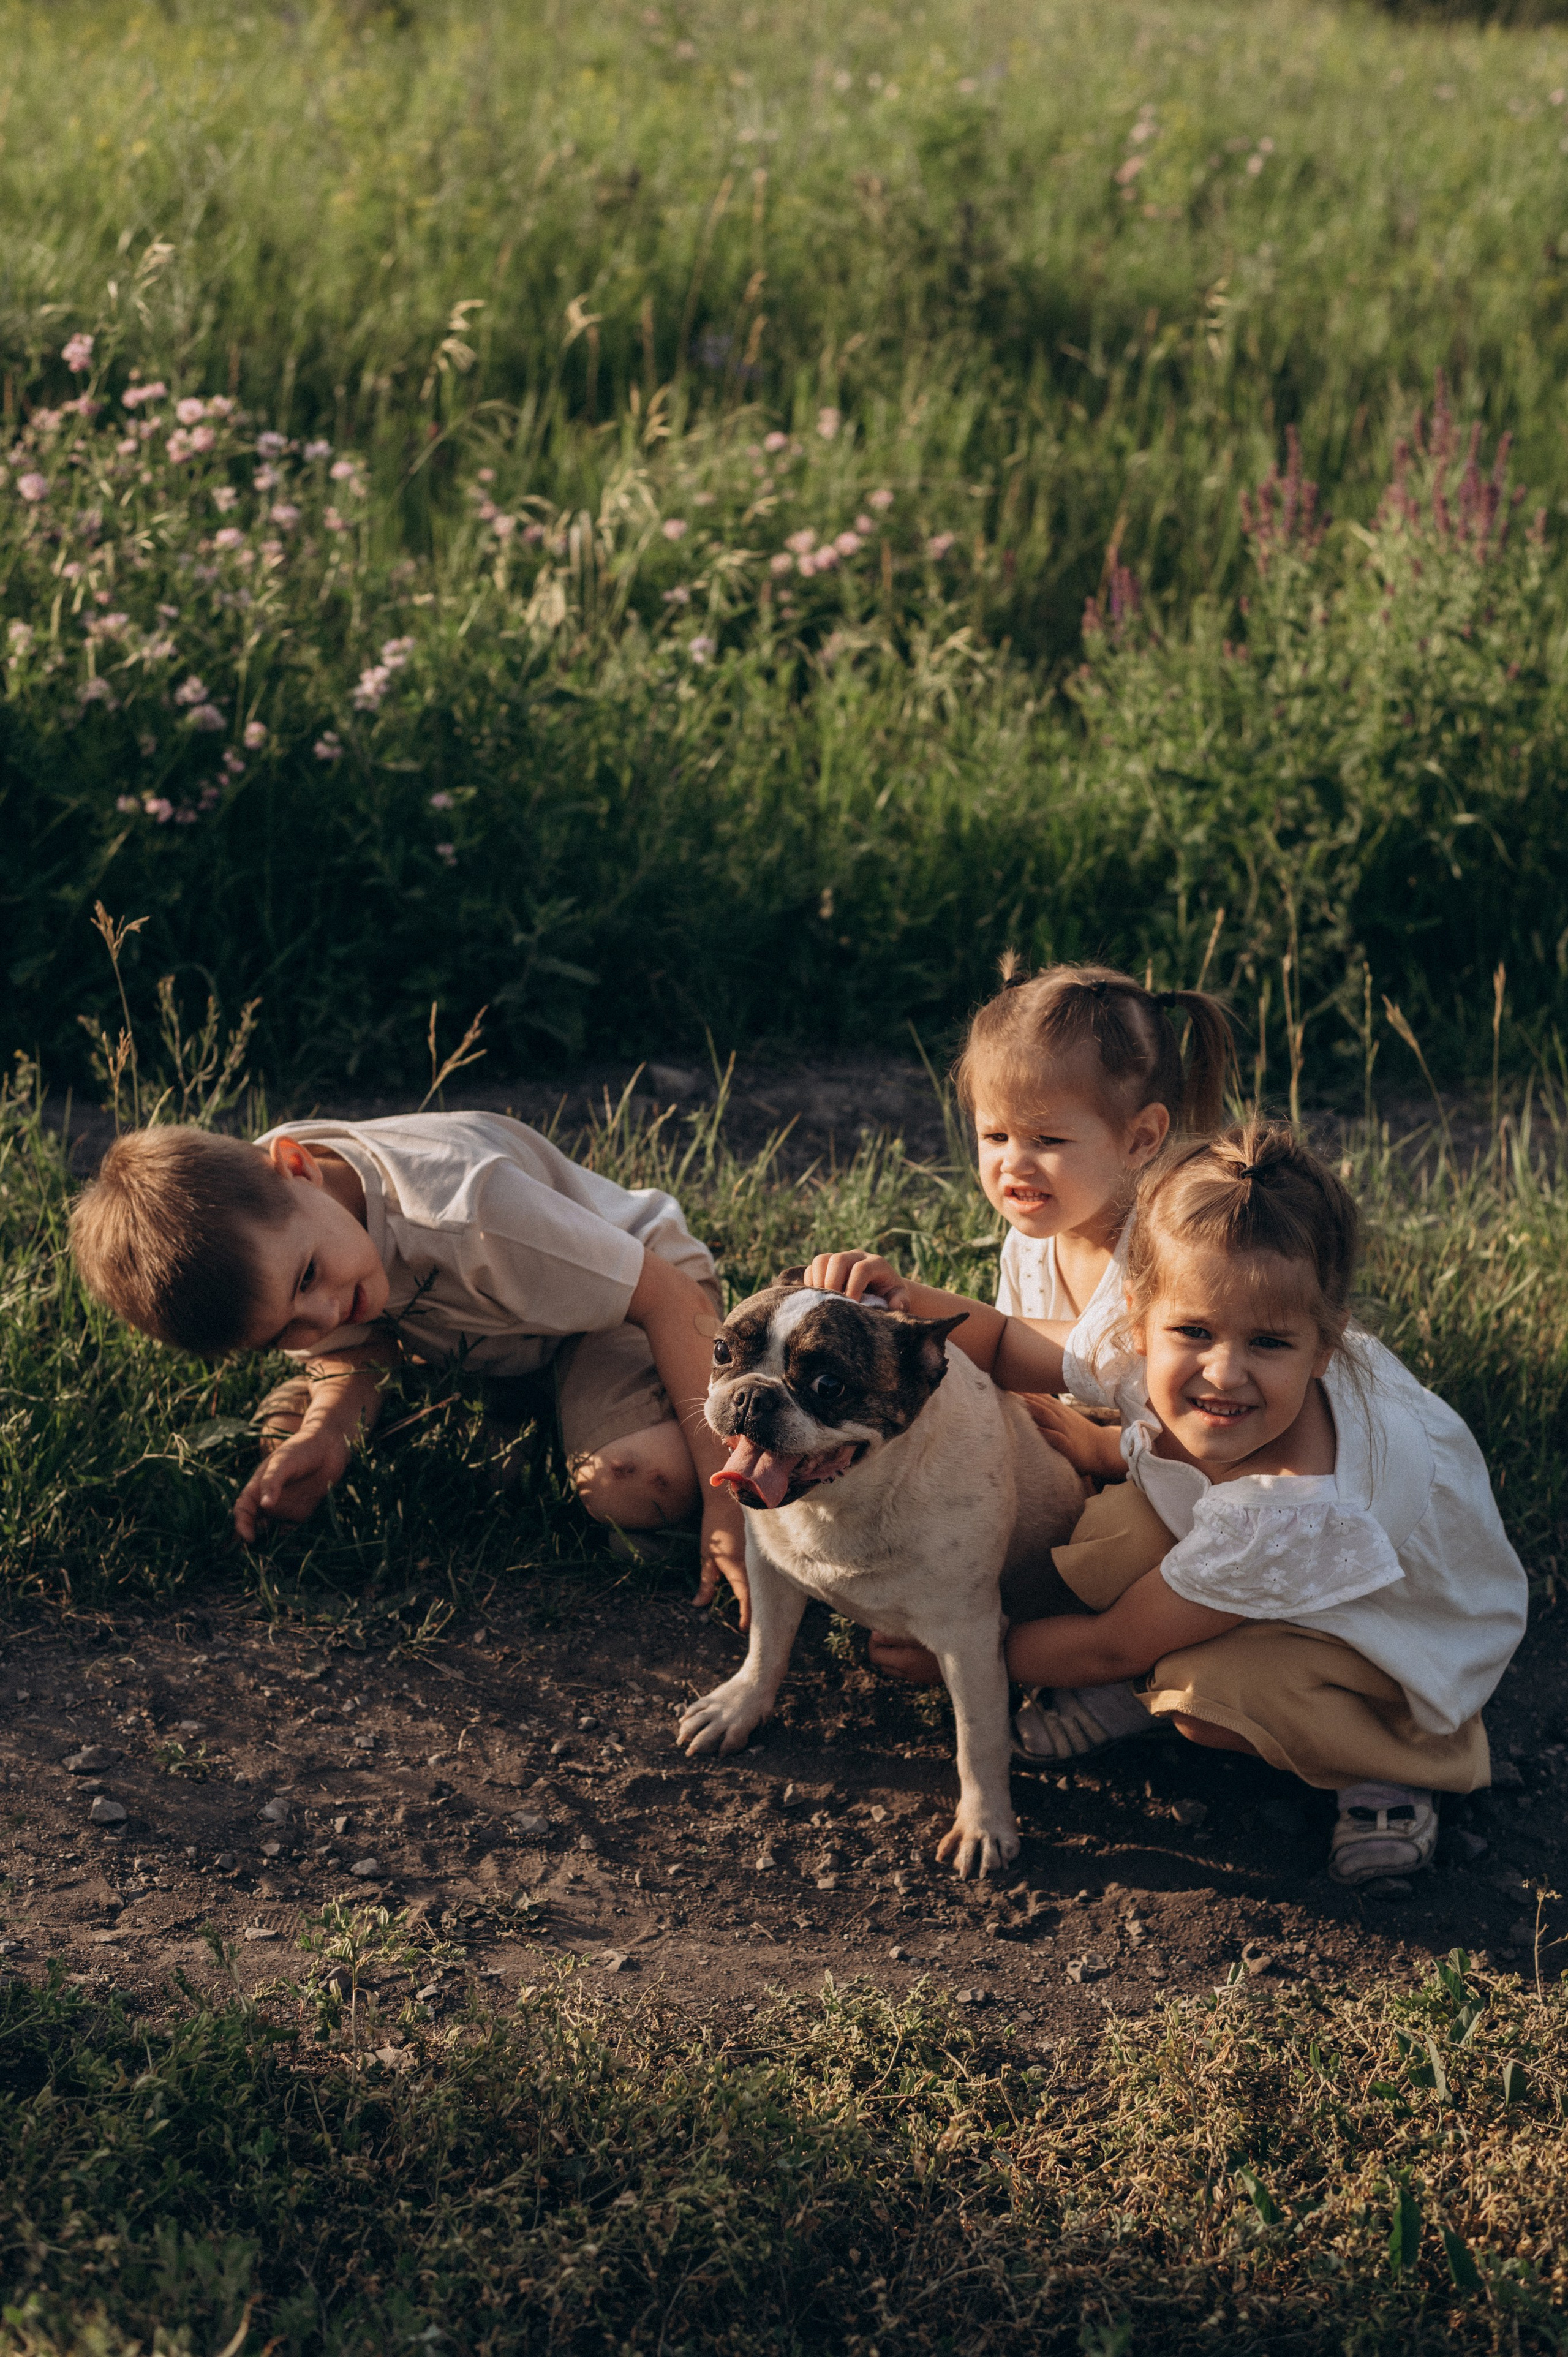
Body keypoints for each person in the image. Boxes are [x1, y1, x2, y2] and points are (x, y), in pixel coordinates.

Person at [854, 1122, 1529, 1889]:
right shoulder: (1164, 1342)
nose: (1223, 1370)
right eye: (1194, 1332)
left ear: (1325, 1345)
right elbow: (1005, 1339)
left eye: (1269, 1344)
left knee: (1205, 1696)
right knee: (1112, 1529)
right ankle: (1159, 1666)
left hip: (1394, 1628)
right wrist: (895, 1305)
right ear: (1140, 1317)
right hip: (1275, 1564)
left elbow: (1112, 1642)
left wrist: (957, 1652)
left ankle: (1401, 1761)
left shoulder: (1289, 1511)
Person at [69, 1111, 748, 1619]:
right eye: (284, 1334)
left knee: (641, 1481)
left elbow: (667, 1296)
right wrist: (327, 1433)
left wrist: (729, 1499)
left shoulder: (469, 1209)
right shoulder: (284, 1233)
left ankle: (542, 1424)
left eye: (309, 1278)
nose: (327, 1313)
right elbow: (353, 1347)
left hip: (623, 1307)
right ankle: (507, 1416)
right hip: (480, 1341)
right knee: (307, 1425)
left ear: (296, 1165)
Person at [803, 957, 1235, 1741]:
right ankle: (975, 1622)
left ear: (1142, 1138)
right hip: (1126, 1460)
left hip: (1212, 1474)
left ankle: (1108, 1683)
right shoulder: (1031, 1241)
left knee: (1116, 1544)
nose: (1012, 1162)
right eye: (994, 1134)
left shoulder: (1174, 1257)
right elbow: (1010, 1358)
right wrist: (896, 1303)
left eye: (1046, 1138)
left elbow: (1207, 1415)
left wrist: (1102, 1450)